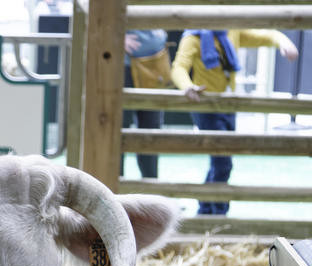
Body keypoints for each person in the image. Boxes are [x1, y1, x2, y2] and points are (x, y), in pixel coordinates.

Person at [171, 29, 298, 215]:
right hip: (206, 107)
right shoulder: (193, 37)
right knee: (223, 163)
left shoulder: (232, 31)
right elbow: (179, 67)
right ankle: (219, 214)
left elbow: (267, 35)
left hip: (228, 106)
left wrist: (285, 42)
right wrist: (188, 86)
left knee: (219, 161)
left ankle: (205, 210)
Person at [122, 29, 168, 179]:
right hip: (124, 68)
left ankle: (151, 185)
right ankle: (113, 189)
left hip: (154, 66)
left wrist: (160, 35)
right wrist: (115, 37)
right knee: (118, 129)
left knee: (151, 130)